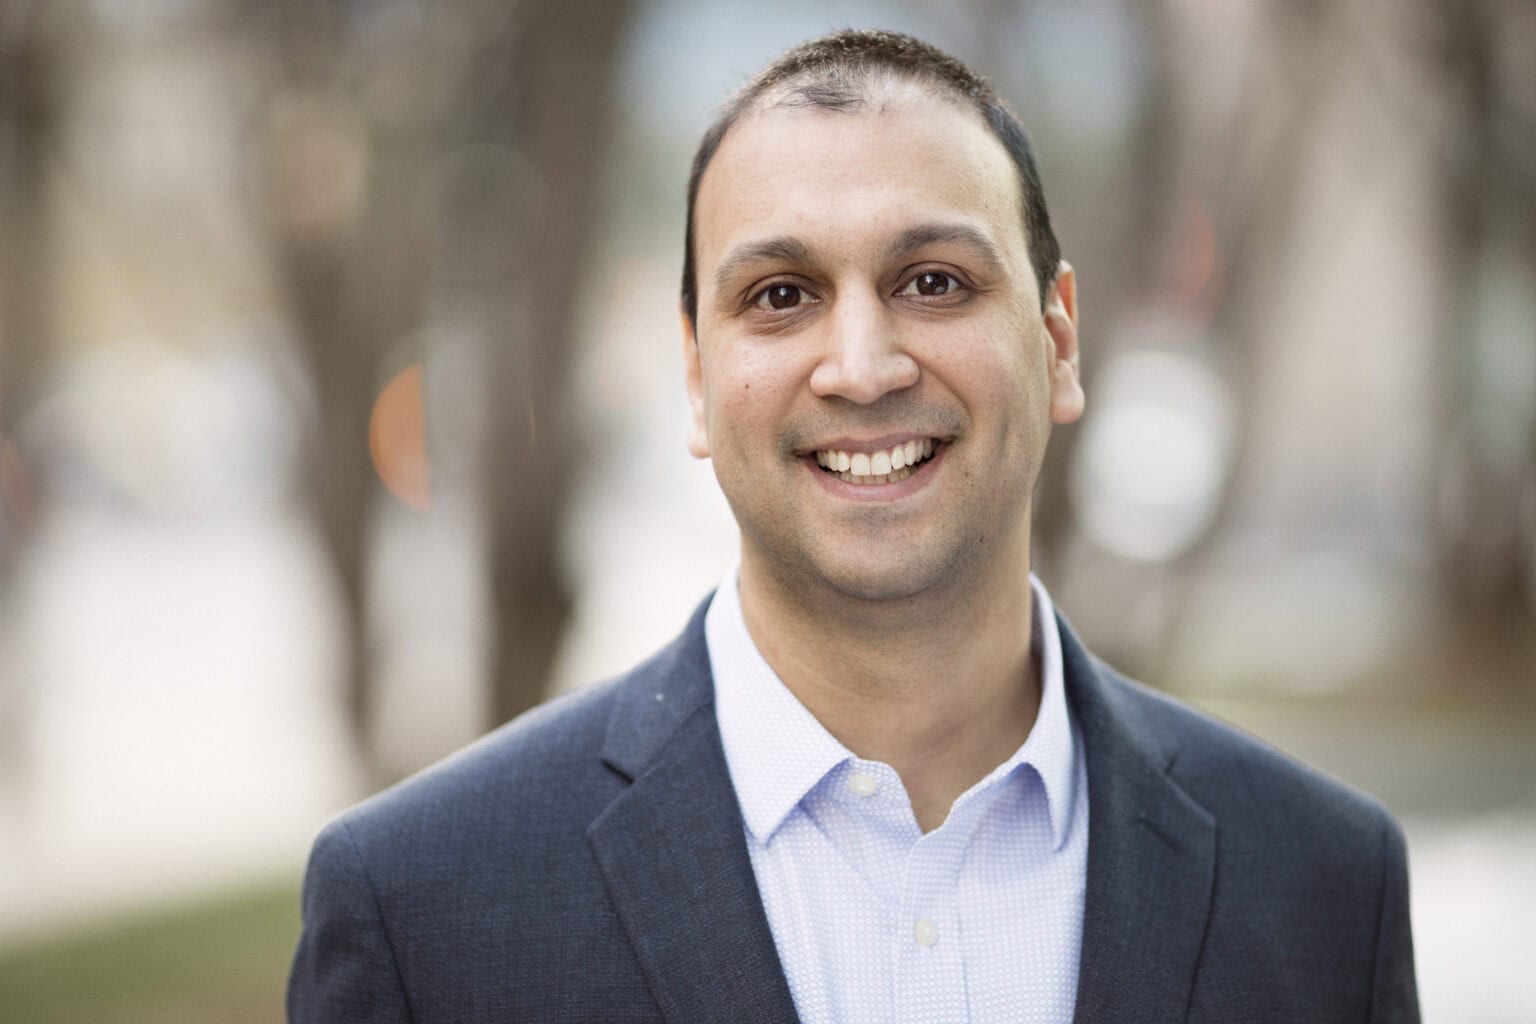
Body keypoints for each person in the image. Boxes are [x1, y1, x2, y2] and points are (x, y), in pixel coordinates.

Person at [288, 29, 1419, 1024]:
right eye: (781, 295)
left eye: (934, 282)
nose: (864, 367)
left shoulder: (1324, 886)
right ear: (696, 376)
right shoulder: (421, 911)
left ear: (1058, 341)